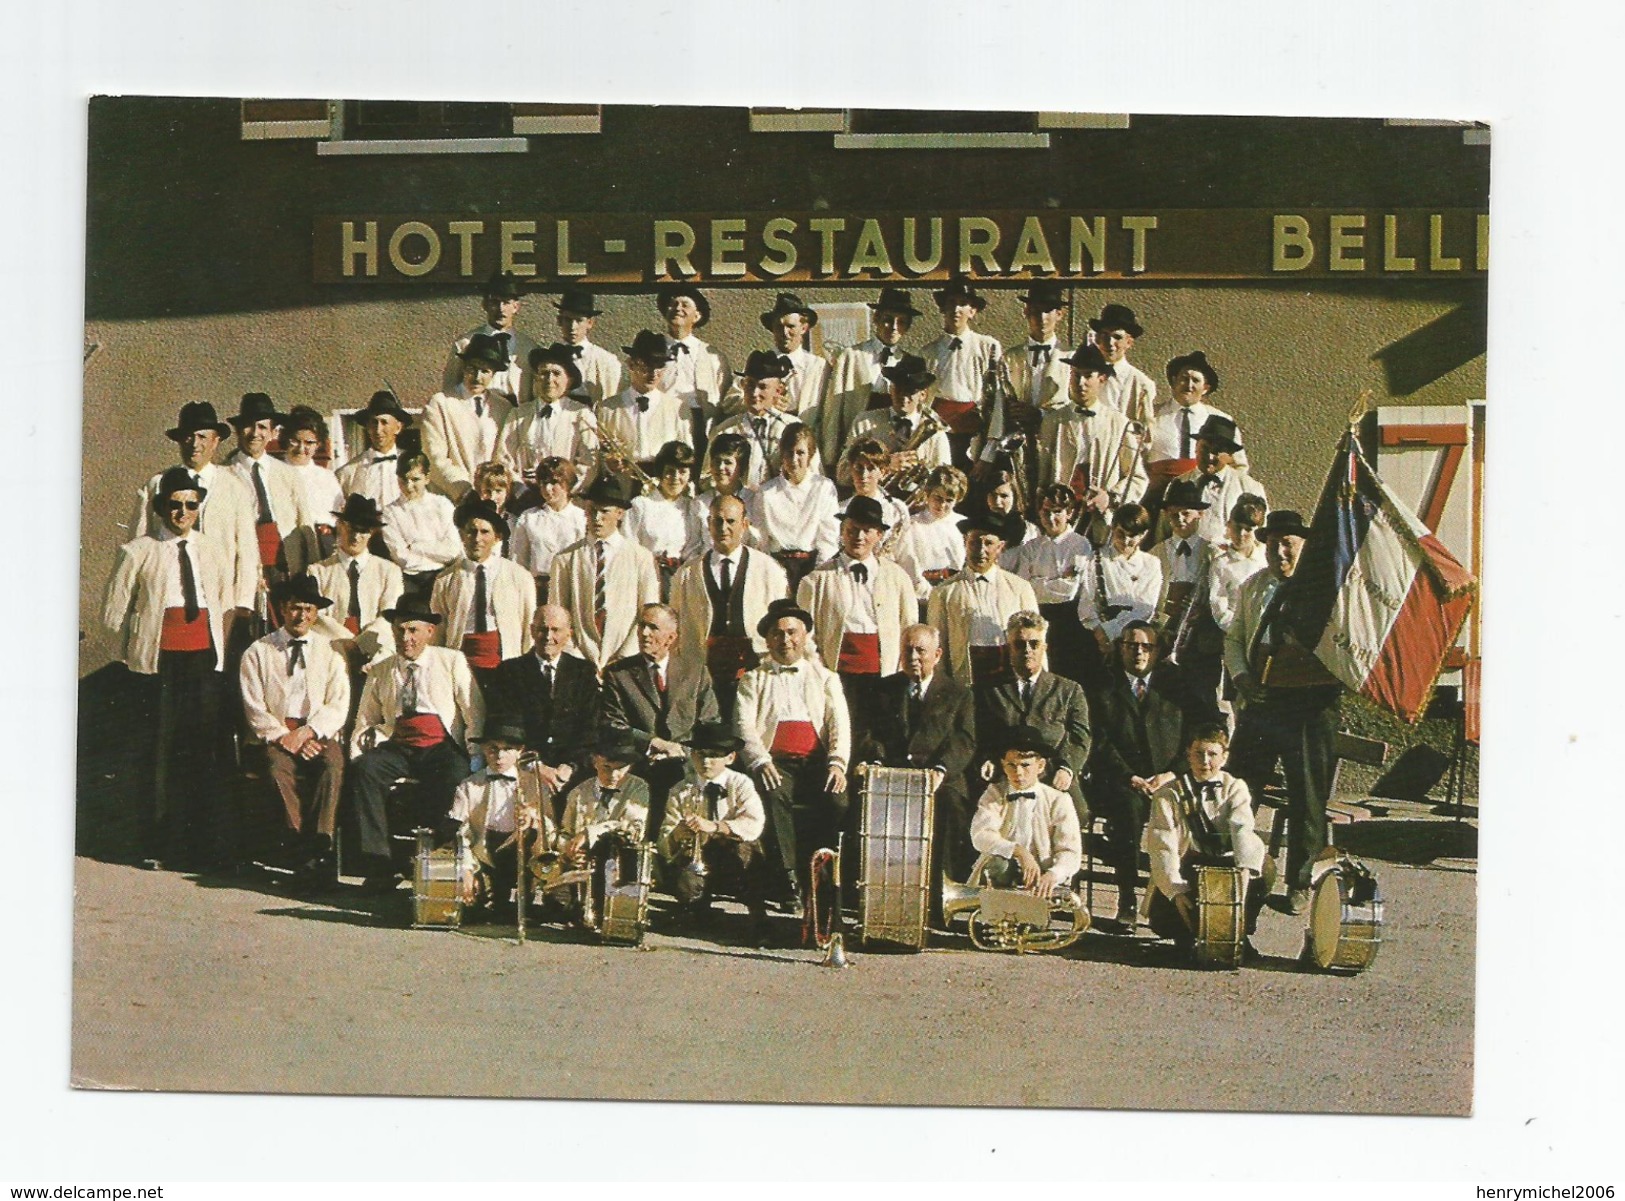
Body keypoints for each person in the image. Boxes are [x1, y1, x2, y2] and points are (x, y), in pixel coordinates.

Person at [102, 466, 234, 870]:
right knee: (157, 752)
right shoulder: (138, 550)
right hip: (158, 664)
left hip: (202, 660)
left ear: (198, 508)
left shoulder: (211, 549)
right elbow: (112, 613)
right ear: (161, 507)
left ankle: (201, 846)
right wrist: (135, 649)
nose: (182, 512)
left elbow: (221, 600)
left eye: (191, 505)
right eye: (174, 505)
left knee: (201, 750)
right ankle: (155, 843)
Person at [1222, 509, 1339, 915]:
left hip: (1309, 706)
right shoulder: (1253, 586)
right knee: (1240, 787)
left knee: (1307, 796)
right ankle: (1236, 867)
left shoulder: (1325, 591)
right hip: (1261, 701)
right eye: (1272, 543)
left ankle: (1302, 881)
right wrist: (1241, 679)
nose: (1279, 551)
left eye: (1288, 543)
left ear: (1304, 547)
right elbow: (1235, 637)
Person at [349, 599, 484, 892]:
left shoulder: (450, 661)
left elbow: (473, 711)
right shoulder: (382, 669)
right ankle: (379, 864)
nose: (405, 638)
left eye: (412, 630)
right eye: (399, 631)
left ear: (429, 632)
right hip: (399, 746)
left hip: (441, 746)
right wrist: (358, 752)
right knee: (365, 771)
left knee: (454, 776)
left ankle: (435, 859)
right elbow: (366, 718)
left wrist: (475, 755)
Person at [733, 599, 851, 910]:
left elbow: (839, 725)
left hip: (816, 763)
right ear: (768, 639)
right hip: (776, 763)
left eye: (792, 632)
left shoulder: (825, 677)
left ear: (805, 636)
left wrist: (837, 764)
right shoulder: (753, 679)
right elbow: (744, 726)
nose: (785, 640)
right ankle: (788, 879)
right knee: (774, 795)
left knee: (838, 800)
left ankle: (823, 877)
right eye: (777, 634)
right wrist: (760, 761)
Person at [237, 574, 350, 885]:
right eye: (295, 608)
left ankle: (321, 845)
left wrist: (309, 732)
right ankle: (301, 846)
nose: (301, 615)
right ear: (283, 610)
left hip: (316, 734)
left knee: (332, 764)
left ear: (316, 614)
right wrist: (284, 737)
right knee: (275, 767)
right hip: (276, 735)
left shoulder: (331, 653)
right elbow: (254, 706)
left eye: (308, 609)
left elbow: (338, 703)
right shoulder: (258, 652)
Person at [1084, 620, 1197, 930]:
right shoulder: (1102, 686)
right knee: (1128, 812)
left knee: (1189, 818)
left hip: (1170, 779)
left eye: (1146, 646)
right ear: (1120, 648)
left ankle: (1176, 901)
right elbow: (1098, 741)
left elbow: (1195, 733)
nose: (1138, 652)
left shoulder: (1176, 683)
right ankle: (1126, 899)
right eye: (1131, 645)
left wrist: (1171, 773)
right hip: (1122, 781)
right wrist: (1129, 777)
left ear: (1157, 651)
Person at [852, 624, 978, 884]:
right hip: (892, 774)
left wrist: (942, 769)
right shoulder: (882, 689)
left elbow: (964, 739)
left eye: (921, 651)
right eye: (907, 650)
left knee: (952, 805)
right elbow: (867, 733)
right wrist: (876, 760)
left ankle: (943, 886)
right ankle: (877, 884)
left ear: (938, 654)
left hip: (940, 777)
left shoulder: (959, 693)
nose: (913, 658)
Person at [1143, 723, 1269, 954]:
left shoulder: (1235, 787)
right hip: (1188, 866)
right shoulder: (1168, 793)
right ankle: (1188, 932)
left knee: (1264, 868)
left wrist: (1244, 874)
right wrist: (1175, 890)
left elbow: (1242, 829)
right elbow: (1163, 845)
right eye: (1198, 754)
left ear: (1224, 757)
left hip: (1226, 866)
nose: (1205, 761)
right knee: (1171, 921)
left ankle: (1239, 929)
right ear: (1188, 755)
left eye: (1212, 754)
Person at [796, 495, 916, 735]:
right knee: (841, 732)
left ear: (879, 535)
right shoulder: (817, 580)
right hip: (838, 674)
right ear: (842, 530)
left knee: (882, 737)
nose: (858, 537)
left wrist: (902, 670)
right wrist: (820, 670)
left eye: (867, 531)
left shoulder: (898, 577)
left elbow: (909, 626)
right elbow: (805, 635)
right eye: (852, 529)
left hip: (885, 674)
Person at [131, 401, 259, 624]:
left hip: (221, 597)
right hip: (168, 596)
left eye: (202, 437)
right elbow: (139, 542)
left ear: (215, 440)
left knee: (217, 657)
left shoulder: (234, 487)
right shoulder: (156, 485)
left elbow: (247, 550)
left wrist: (243, 601)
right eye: (188, 437)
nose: (194, 444)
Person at [601, 602, 720, 837]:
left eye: (653, 627)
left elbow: (710, 722)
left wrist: (683, 751)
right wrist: (654, 743)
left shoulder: (696, 672)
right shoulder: (619, 673)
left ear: (671, 637)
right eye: (642, 626)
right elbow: (612, 723)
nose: (644, 633)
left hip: (687, 767)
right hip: (640, 766)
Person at [667, 494, 789, 719]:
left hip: (753, 667)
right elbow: (675, 630)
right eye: (717, 521)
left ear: (744, 524)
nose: (724, 528)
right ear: (708, 524)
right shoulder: (687, 574)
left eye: (731, 521)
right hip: (704, 670)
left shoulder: (769, 570)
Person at [974, 611, 1092, 835]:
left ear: (1044, 647)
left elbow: (1080, 737)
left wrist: (1067, 768)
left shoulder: (1068, 690)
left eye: (1033, 644)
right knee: (988, 814)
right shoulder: (990, 690)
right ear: (1009, 648)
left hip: (1052, 772)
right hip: (1007, 772)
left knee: (1078, 813)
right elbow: (981, 733)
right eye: (1019, 644)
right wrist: (987, 758)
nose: (1027, 650)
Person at [656, 722, 769, 939]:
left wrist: (717, 827)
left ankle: (758, 917)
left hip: (731, 852)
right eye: (700, 754)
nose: (706, 761)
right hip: (699, 857)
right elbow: (665, 838)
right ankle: (699, 910)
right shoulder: (681, 789)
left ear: (730, 758)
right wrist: (678, 833)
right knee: (686, 883)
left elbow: (755, 823)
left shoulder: (741, 783)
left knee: (749, 853)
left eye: (714, 755)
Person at [490, 606, 601, 821]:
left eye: (556, 630)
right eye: (542, 630)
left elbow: (591, 726)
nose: (548, 637)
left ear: (569, 634)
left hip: (573, 769)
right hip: (528, 767)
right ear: (532, 631)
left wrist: (571, 766)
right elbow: (506, 726)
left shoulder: (583, 671)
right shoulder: (510, 671)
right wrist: (536, 766)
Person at [547, 473, 661, 672]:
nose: (597, 519)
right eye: (592, 511)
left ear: (619, 513)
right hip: (580, 660)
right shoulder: (565, 559)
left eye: (604, 512)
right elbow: (558, 616)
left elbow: (647, 615)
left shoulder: (640, 558)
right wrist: (577, 656)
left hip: (627, 659)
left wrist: (624, 655)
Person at [448, 721, 553, 923]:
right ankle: (494, 899)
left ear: (520, 751)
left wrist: (533, 819)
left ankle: (526, 897)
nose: (499, 756)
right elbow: (459, 833)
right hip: (485, 850)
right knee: (473, 909)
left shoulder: (535, 784)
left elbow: (550, 827)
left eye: (507, 749)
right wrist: (466, 869)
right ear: (484, 749)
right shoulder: (469, 785)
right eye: (493, 749)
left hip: (520, 847)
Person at [925, 510, 1038, 688]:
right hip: (966, 678)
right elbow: (938, 647)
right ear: (965, 543)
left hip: (1008, 677)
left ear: (1000, 547)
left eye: (989, 543)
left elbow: (1035, 641)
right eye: (975, 542)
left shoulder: (1020, 588)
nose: (981, 550)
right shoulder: (943, 592)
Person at [1048, 343, 1148, 542]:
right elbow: (1042, 471)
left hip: (1100, 521)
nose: (1081, 383)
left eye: (1088, 376)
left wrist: (1110, 497)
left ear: (1101, 379)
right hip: (1060, 518)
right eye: (1076, 375)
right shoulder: (1053, 420)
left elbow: (1137, 477)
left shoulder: (1119, 423)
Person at [430, 498, 536, 685]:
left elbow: (528, 626)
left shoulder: (519, 577)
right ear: (462, 535)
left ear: (497, 537)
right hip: (462, 661)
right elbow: (439, 631)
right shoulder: (445, 580)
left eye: (485, 532)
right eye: (471, 532)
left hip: (504, 660)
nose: (477, 539)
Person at [969, 725, 1083, 895]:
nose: (1019, 773)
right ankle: (998, 915)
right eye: (1011, 766)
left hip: (1042, 876)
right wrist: (1020, 852)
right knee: (998, 865)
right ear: (1002, 765)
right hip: (1003, 871)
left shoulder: (1058, 800)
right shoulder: (995, 793)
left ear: (1041, 766)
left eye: (1025, 765)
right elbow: (980, 835)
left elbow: (1070, 851)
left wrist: (1054, 874)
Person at [1002, 483, 1094, 684]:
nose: (1051, 518)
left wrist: (1039, 583)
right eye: (1046, 512)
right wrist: (1055, 582)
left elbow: (1070, 591)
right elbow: (1023, 587)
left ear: (1069, 513)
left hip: (1069, 620)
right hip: (1039, 617)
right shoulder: (1031, 547)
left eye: (1057, 512)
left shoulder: (1080, 545)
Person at [554, 732, 652, 922]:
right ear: (594, 761)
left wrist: (589, 832)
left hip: (617, 861)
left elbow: (632, 828)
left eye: (620, 769)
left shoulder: (639, 788)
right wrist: (569, 850)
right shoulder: (579, 792)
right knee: (557, 903)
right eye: (606, 767)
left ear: (630, 766)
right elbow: (565, 832)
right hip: (582, 864)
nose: (613, 775)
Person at [305, 493, 405, 671]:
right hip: (333, 647)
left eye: (364, 531)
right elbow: (317, 616)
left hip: (375, 648)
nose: (356, 537)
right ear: (340, 525)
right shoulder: (318, 571)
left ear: (372, 532)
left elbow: (389, 615)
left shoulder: (389, 571)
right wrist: (347, 643)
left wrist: (362, 644)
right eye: (352, 528)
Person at [823, 286, 920, 465]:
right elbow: (834, 410)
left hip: (893, 439)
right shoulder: (851, 356)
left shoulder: (909, 362)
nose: (894, 328)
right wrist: (830, 456)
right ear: (876, 318)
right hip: (859, 439)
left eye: (901, 322)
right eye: (888, 320)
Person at [1077, 502, 1163, 692]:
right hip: (1099, 640)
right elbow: (1086, 604)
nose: (1125, 541)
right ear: (1113, 528)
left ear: (1144, 535)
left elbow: (1145, 607)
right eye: (1120, 533)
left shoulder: (1151, 564)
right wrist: (1100, 633)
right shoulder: (1096, 558)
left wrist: (1112, 631)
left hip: (1133, 639)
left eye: (1133, 536)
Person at [838, 354, 950, 498]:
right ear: (891, 389)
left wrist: (924, 476)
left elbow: (946, 481)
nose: (903, 396)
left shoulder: (935, 432)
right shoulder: (864, 422)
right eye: (899, 389)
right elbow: (842, 474)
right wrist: (886, 464)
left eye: (910, 391)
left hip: (916, 509)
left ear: (923, 395)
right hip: (870, 502)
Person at [1146, 350, 1247, 510]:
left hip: (1204, 496)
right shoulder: (1150, 415)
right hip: (1157, 496)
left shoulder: (1222, 420)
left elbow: (1239, 466)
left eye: (1196, 380)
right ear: (1173, 381)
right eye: (1184, 379)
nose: (1189, 385)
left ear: (1205, 387)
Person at [496, 342, 599, 496]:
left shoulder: (580, 414)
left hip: (566, 499)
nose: (549, 379)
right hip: (525, 498)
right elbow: (504, 459)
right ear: (536, 378)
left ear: (569, 380)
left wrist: (562, 492)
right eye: (544, 373)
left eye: (556, 373)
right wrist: (521, 490)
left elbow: (589, 463)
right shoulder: (518, 415)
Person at [746, 423, 839, 592]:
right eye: (789, 453)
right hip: (776, 567)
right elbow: (761, 540)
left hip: (812, 565)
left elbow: (828, 538)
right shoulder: (766, 492)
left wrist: (817, 576)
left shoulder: (823, 487)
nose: (794, 460)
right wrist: (771, 574)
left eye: (800, 453)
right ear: (782, 455)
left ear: (810, 454)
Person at [225, 391, 308, 581]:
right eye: (248, 426)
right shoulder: (223, 474)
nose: (255, 433)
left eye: (262, 427)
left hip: (287, 565)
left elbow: (305, 525)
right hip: (243, 568)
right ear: (238, 430)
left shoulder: (288, 473)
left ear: (272, 432)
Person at [1153, 478, 1223, 704]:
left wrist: (1203, 613)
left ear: (1200, 514)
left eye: (1186, 514)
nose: (1180, 520)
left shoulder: (1213, 553)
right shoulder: (1155, 553)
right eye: (1174, 514)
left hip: (1200, 640)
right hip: (1166, 636)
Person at [920, 280, 1002, 470]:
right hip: (939, 433)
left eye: (962, 304)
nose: (956, 309)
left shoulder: (988, 346)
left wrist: (989, 450)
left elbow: (997, 399)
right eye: (951, 303)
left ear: (972, 311)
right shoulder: (928, 352)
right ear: (942, 308)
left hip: (975, 433)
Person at [422, 332, 512, 502]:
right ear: (464, 367)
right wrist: (463, 490)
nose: (478, 377)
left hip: (492, 499)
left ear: (493, 374)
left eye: (485, 371)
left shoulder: (503, 407)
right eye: (472, 369)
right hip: (452, 498)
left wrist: (494, 490)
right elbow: (434, 457)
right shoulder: (441, 403)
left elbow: (504, 456)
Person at [704, 349, 799, 488]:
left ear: (778, 391)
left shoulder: (792, 428)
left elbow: (810, 477)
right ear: (742, 385)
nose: (755, 393)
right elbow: (705, 477)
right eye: (750, 385)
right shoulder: (725, 430)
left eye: (762, 387)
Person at [656, 283, 731, 456]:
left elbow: (723, 396)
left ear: (696, 316)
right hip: (662, 419)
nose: (677, 308)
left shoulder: (713, 356)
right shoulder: (653, 349)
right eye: (673, 304)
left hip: (699, 422)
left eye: (685, 305)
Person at [441, 270, 535, 406]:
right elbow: (450, 387)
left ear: (516, 307)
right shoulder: (465, 343)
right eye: (495, 302)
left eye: (506, 302)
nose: (501, 309)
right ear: (485, 305)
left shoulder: (528, 347)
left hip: (515, 416)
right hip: (477, 412)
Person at [1008, 284, 1074, 474]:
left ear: (1059, 315)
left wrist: (1040, 416)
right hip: (1018, 446)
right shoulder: (1011, 357)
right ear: (1026, 312)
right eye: (1036, 311)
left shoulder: (1071, 357)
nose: (1042, 318)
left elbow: (1074, 406)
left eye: (1048, 311)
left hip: (1056, 443)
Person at [626, 441, 708, 593]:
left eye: (682, 472)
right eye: (670, 471)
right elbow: (629, 545)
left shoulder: (692, 507)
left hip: (680, 579)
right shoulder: (641, 504)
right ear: (661, 472)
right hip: (646, 575)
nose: (675, 477)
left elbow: (694, 548)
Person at [599, 329, 688, 470]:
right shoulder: (607, 409)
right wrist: (609, 464)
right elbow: (597, 458)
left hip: (661, 485)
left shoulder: (677, 409)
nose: (653, 372)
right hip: (623, 484)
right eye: (646, 364)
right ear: (631, 364)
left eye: (659, 365)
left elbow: (686, 458)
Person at [1174, 415, 1269, 547]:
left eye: (1217, 451)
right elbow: (1166, 532)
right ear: (1196, 447)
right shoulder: (1179, 484)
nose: (1210, 457)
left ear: (1229, 455)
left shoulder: (1248, 487)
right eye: (1205, 449)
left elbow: (1260, 537)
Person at [381, 452, 463, 598]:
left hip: (443, 576)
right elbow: (402, 558)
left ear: (427, 478)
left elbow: (453, 550)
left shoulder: (442, 504)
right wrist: (436, 553)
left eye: (415, 479)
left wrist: (416, 546)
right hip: (410, 581)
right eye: (403, 480)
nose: (409, 486)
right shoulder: (390, 512)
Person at [278, 405, 346, 571]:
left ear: (318, 444)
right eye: (295, 441)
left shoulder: (327, 477)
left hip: (322, 549)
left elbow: (339, 517)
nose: (302, 449)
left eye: (309, 442)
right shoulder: (274, 473)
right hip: (284, 550)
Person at [508, 456, 586, 599]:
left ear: (567, 484)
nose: (548, 489)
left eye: (554, 482)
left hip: (570, 587)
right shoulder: (529, 518)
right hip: (536, 589)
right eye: (543, 483)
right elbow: (518, 560)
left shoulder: (581, 518)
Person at [894, 466, 968, 602]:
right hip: (921, 595)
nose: (942, 505)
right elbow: (908, 563)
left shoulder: (963, 524)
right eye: (938, 498)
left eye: (949, 500)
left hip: (955, 596)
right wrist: (929, 594)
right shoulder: (912, 525)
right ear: (927, 494)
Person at [757, 292, 828, 422]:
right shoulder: (760, 362)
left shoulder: (818, 366)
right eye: (779, 326)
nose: (785, 333)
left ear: (804, 328)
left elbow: (829, 410)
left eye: (791, 326)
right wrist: (764, 401)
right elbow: (731, 401)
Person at [336, 390, 413, 510]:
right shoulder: (348, 472)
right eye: (373, 423)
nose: (378, 430)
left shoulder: (413, 466)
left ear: (398, 427)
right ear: (367, 427)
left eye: (384, 422)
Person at [1208, 493, 1270, 637]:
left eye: (1248, 529)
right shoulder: (1222, 564)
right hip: (1237, 633)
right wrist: (1241, 632)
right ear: (1229, 525)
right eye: (1237, 527)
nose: (1241, 534)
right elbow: (1219, 606)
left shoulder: (1265, 556)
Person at [838, 439, 911, 557]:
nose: (864, 475)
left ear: (883, 472)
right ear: (851, 469)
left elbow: (905, 555)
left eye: (871, 468)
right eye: (858, 467)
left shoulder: (897, 511)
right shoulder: (840, 510)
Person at [1089, 303, 1156, 427]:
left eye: (1117, 337)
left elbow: (1145, 433)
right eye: (1105, 335)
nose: (1110, 342)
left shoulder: (1142, 384)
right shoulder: (1084, 375)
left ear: (1129, 342)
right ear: (1097, 339)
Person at [553, 287, 623, 405]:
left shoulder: (606, 361)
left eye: (579, 320)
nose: (572, 327)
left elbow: (609, 402)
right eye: (568, 320)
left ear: (590, 323)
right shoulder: (549, 357)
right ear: (559, 321)